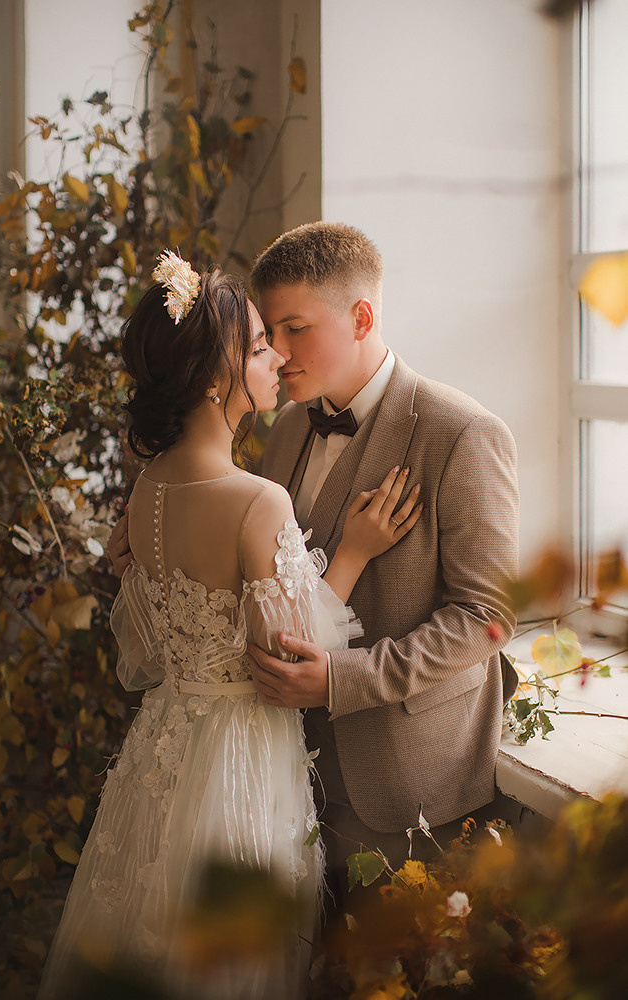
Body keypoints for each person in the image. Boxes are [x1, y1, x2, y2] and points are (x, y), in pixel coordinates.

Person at [40, 253, 422, 1000]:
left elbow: (148, 651)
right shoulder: (255, 501)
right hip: (239, 757)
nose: (276, 355)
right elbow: (291, 661)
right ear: (215, 380)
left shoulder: (147, 489)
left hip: (164, 741)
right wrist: (352, 551)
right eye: (255, 346)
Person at [245, 222, 520, 903]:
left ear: (361, 316)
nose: (276, 354)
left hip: (408, 781)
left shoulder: (462, 432)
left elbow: (487, 619)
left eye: (294, 329)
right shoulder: (284, 430)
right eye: (268, 333)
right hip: (286, 772)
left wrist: (344, 680)